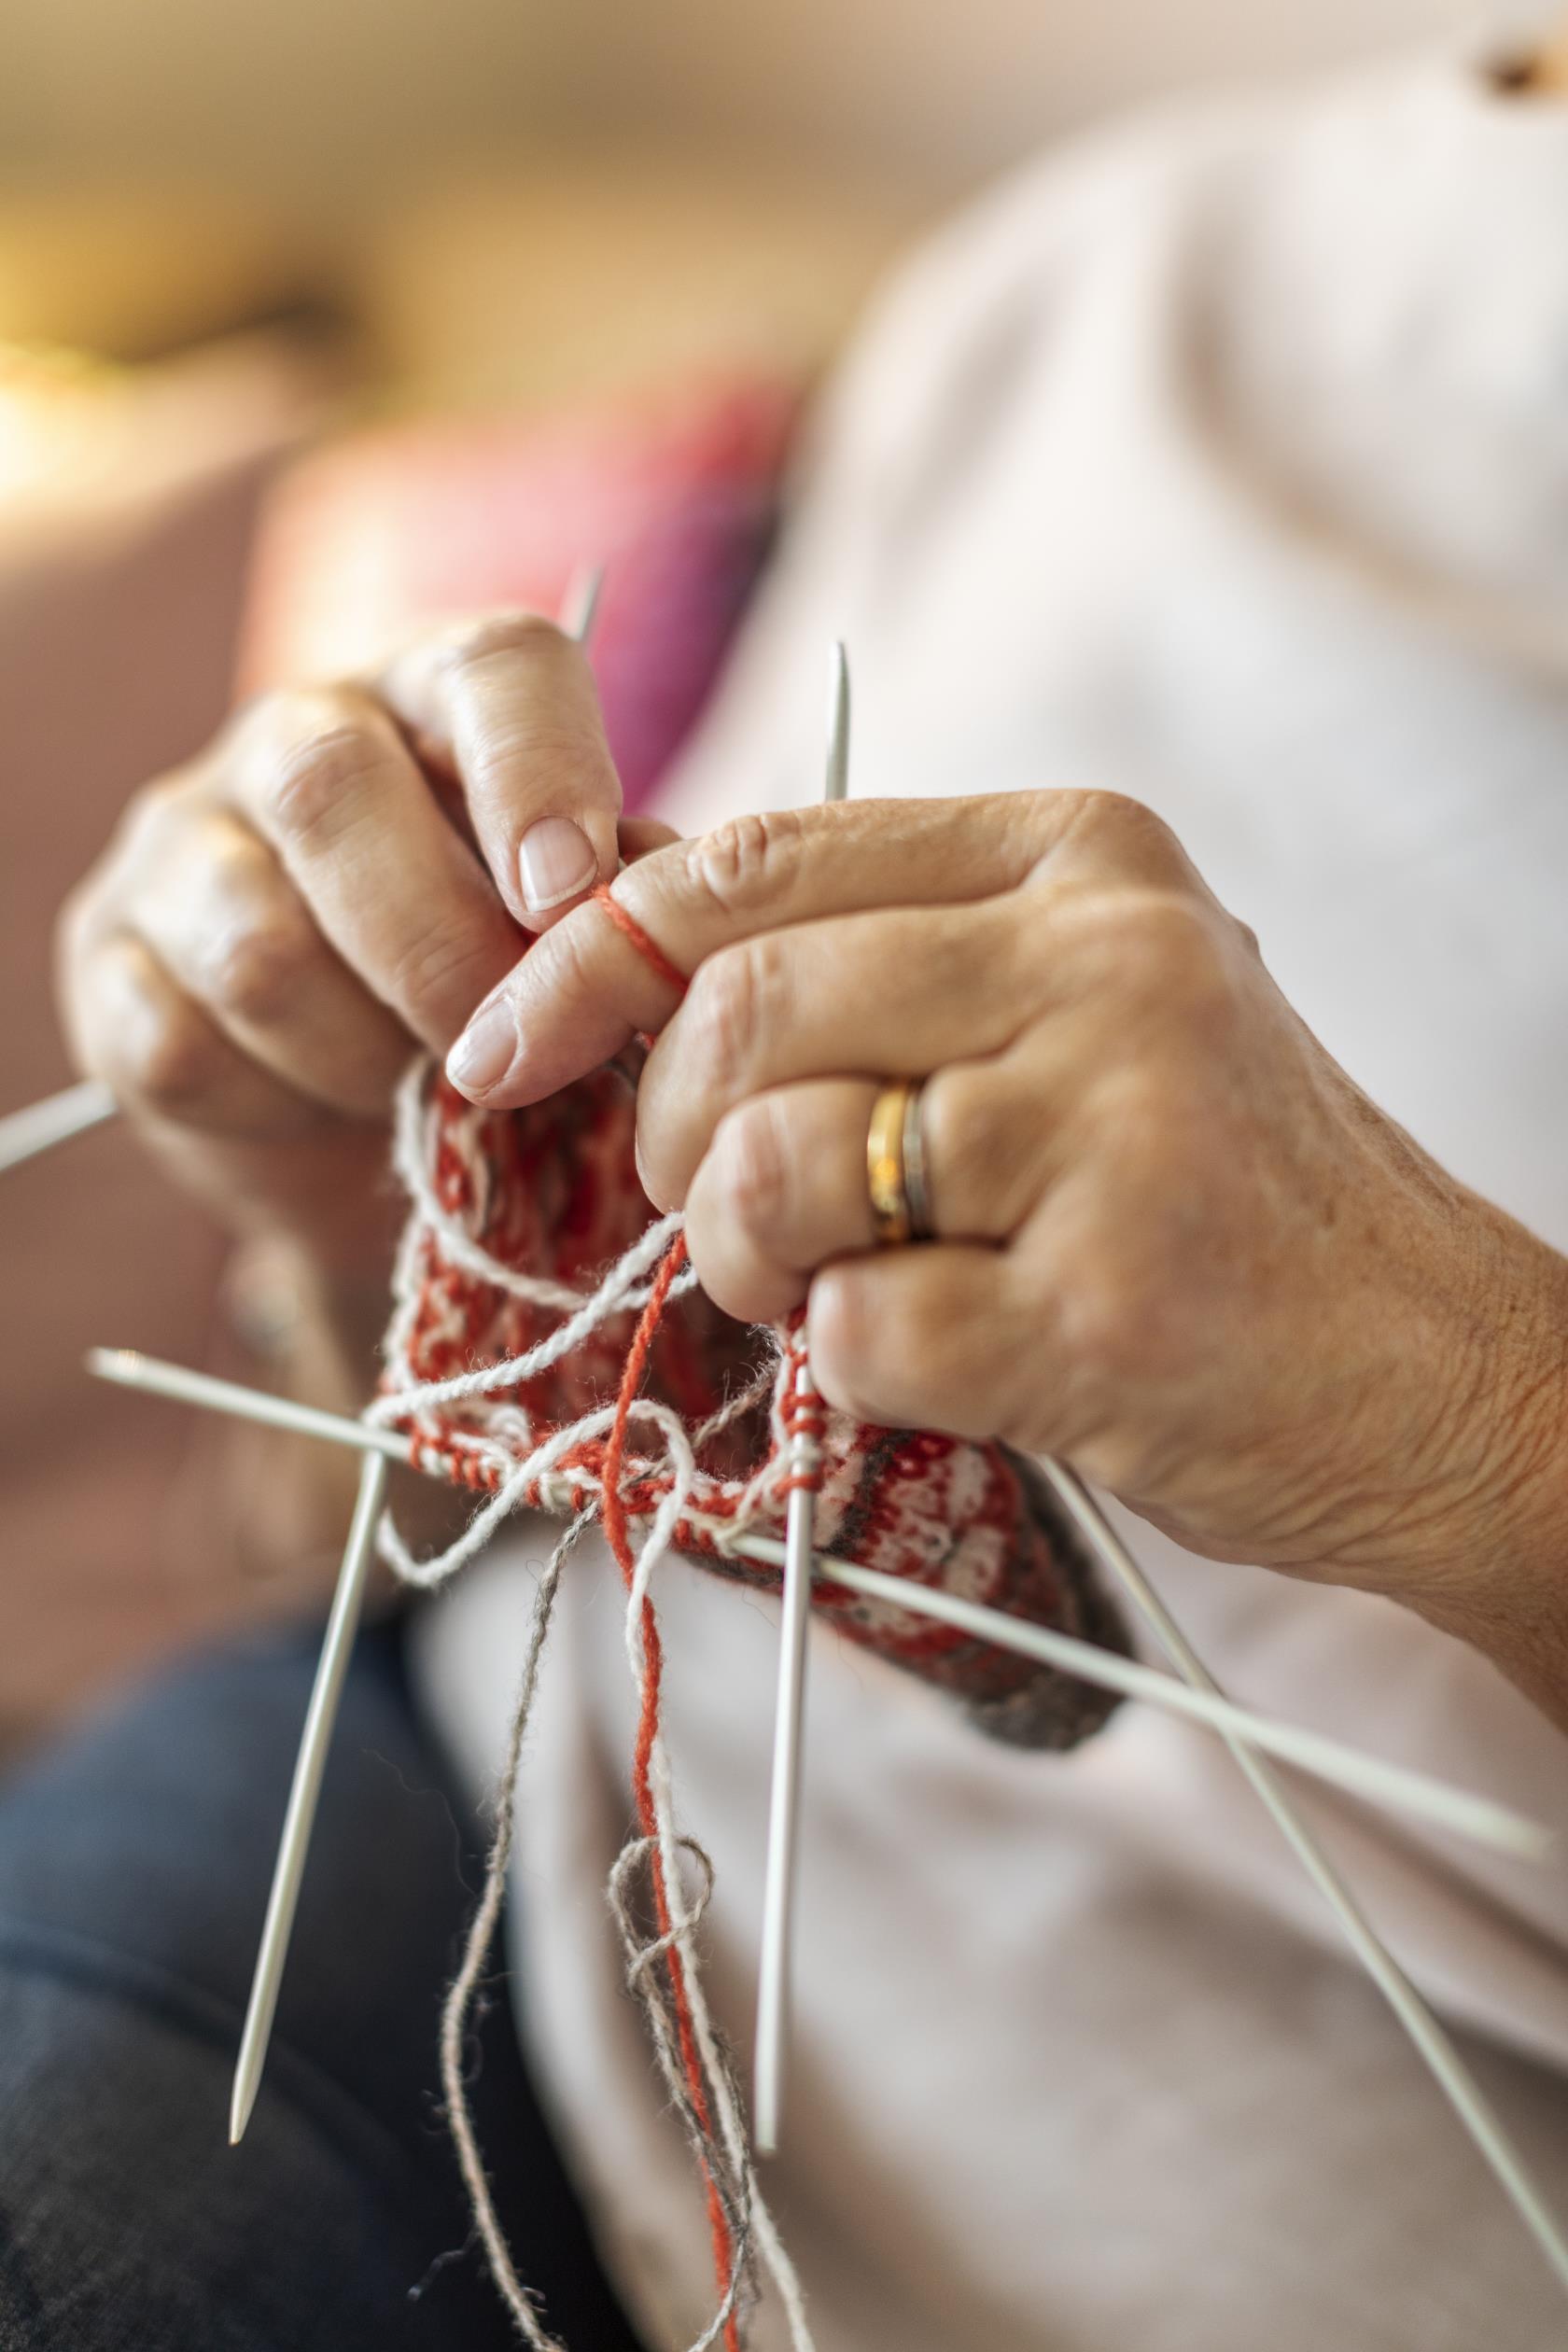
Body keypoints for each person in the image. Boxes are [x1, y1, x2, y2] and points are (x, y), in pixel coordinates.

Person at [8, 32, 1568, 2352]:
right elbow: (470, 1476)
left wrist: (1463, 1407)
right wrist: (371, 1224)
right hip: (465, 1866)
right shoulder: (1082, 273)